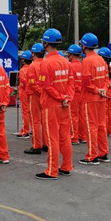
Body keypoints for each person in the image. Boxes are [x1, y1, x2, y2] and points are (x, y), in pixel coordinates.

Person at [35, 28, 75, 180]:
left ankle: (52, 171)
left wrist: (60, 97)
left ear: (45, 43)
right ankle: (66, 167)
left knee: (52, 138)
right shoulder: (66, 62)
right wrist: (67, 98)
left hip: (51, 105)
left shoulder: (45, 63)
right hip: (64, 105)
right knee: (65, 137)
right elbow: (71, 83)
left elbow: (46, 86)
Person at [79, 33, 109, 164]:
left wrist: (97, 90)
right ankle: (103, 152)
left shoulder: (87, 61)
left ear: (84, 46)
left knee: (91, 126)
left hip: (90, 98)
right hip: (101, 98)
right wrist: (103, 89)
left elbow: (86, 83)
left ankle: (92, 155)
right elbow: (107, 78)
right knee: (101, 125)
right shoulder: (101, 59)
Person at [24, 43, 46, 155]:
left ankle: (36, 145)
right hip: (46, 96)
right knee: (45, 121)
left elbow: (32, 83)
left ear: (33, 54)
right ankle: (46, 144)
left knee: (35, 121)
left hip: (35, 96)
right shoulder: (46, 64)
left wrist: (40, 92)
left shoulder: (32, 66)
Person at [67, 44, 83, 144]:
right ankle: (82, 136)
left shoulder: (70, 66)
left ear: (71, 55)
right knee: (82, 115)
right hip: (83, 93)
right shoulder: (83, 65)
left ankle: (74, 137)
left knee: (73, 115)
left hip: (74, 94)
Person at [98, 47, 111, 135]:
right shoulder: (109, 67)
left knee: (104, 114)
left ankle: (105, 131)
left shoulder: (102, 66)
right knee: (109, 113)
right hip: (109, 93)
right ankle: (109, 130)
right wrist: (110, 84)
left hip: (103, 93)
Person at [16, 51, 32, 139]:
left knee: (25, 112)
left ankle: (25, 131)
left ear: (23, 60)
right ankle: (31, 130)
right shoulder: (32, 68)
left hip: (24, 93)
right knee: (31, 112)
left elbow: (23, 83)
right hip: (31, 93)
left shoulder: (22, 70)